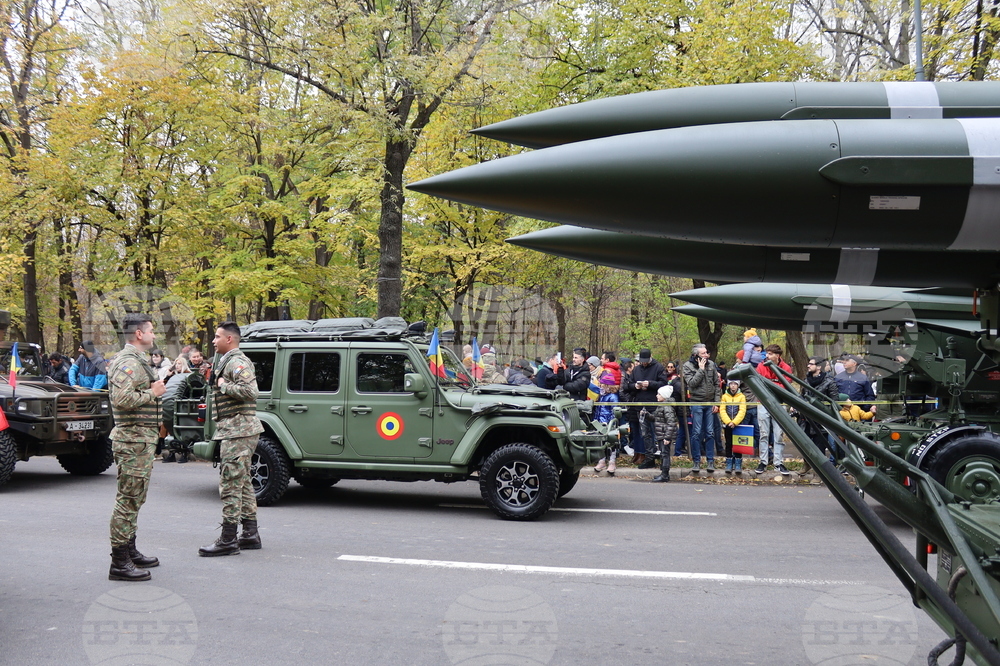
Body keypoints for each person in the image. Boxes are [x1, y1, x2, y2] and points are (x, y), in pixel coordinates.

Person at [106, 313, 167, 581]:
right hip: (132, 441)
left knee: (135, 498)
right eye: (151, 330)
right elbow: (121, 399)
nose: (154, 335)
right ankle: (119, 562)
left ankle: (129, 550)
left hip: (140, 441)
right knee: (127, 500)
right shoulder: (128, 362)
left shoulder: (139, 360)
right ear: (139, 334)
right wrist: (153, 393)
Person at [199, 322, 266, 557]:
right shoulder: (226, 361)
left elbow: (251, 392)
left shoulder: (237, 361)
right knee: (243, 482)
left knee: (230, 483)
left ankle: (228, 539)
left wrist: (223, 385)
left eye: (217, 336)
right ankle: (250, 533)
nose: (213, 340)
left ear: (229, 339)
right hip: (235, 429)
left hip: (238, 430)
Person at [754, 344, 793, 475]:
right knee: (763, 434)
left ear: (777, 355)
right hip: (763, 402)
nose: (767, 356)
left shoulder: (786, 368)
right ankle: (763, 462)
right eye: (767, 353)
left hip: (780, 404)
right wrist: (774, 385)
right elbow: (758, 384)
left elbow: (786, 386)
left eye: (770, 354)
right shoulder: (761, 366)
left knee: (778, 434)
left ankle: (778, 462)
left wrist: (771, 385)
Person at [682, 344, 721, 472]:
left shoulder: (712, 364)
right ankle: (696, 461)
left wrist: (717, 403)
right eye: (703, 353)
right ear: (696, 355)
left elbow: (717, 384)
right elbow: (692, 383)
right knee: (696, 433)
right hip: (696, 402)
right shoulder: (687, 366)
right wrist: (701, 369)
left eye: (706, 352)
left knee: (710, 432)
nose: (706, 355)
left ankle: (710, 461)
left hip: (710, 402)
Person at [799, 356, 842, 468]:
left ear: (818, 367)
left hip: (820, 420)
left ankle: (821, 471)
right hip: (806, 419)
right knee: (806, 444)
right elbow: (802, 396)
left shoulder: (829, 382)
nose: (808, 366)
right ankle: (807, 465)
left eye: (811, 364)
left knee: (819, 447)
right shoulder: (806, 381)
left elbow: (834, 401)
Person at [627, 349, 667, 467]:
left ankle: (664, 459)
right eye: (642, 361)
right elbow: (628, 385)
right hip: (640, 405)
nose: (643, 363)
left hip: (654, 405)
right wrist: (635, 386)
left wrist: (650, 384)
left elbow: (664, 384)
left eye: (645, 361)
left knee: (658, 433)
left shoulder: (658, 367)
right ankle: (649, 458)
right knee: (645, 434)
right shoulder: (636, 369)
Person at [160, 356, 194, 462]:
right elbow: (163, 387)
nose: (177, 366)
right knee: (171, 430)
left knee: (183, 430)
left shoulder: (189, 376)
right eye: (176, 364)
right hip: (171, 407)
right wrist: (167, 376)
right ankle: (172, 452)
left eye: (179, 364)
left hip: (183, 407)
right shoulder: (172, 377)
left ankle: (185, 453)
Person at [651, 385, 677, 482]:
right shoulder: (662, 406)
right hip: (661, 433)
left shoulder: (667, 407)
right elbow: (656, 418)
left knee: (665, 454)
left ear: (664, 396)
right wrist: (647, 415)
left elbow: (671, 423)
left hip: (664, 434)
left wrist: (667, 437)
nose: (657, 395)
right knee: (663, 453)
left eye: (659, 394)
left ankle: (665, 475)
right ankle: (663, 473)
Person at [720, 379, 747, 473]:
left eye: (735, 384)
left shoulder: (742, 396)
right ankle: (729, 462)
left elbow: (742, 410)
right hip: (727, 424)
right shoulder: (724, 396)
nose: (733, 386)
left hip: (738, 424)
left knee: (738, 444)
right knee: (728, 443)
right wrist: (728, 422)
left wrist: (735, 422)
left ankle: (738, 463)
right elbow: (722, 410)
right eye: (731, 384)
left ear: (738, 385)